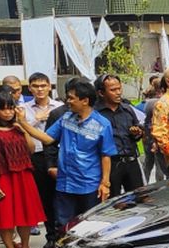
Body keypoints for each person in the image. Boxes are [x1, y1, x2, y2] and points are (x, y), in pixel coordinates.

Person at [13, 78, 114, 235]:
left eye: (72, 98)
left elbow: (105, 154)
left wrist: (105, 183)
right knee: (63, 224)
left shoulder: (102, 124)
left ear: (85, 100)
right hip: (65, 182)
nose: (68, 101)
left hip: (89, 183)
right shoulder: (66, 118)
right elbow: (47, 139)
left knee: (90, 224)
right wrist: (23, 123)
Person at [0, 90, 46, 248]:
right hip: (3, 177)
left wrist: (23, 127)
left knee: (26, 214)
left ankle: (25, 246)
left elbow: (31, 149)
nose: (8, 112)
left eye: (11, 108)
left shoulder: (18, 127)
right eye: (3, 109)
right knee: (6, 216)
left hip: (24, 174)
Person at [22, 73, 61, 247]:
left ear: (49, 87)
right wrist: (35, 119)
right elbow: (19, 125)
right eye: (36, 86)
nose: (40, 89)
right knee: (44, 196)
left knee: (62, 195)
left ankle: (63, 233)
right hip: (37, 155)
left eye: (43, 85)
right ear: (29, 88)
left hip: (58, 154)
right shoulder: (24, 109)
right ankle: (51, 235)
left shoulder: (59, 107)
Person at [94, 74, 145, 196]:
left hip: (131, 161)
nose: (118, 93)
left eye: (119, 89)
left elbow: (137, 132)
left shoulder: (127, 109)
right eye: (113, 90)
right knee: (113, 202)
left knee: (139, 198)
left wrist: (137, 132)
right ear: (101, 93)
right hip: (110, 164)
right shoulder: (95, 114)